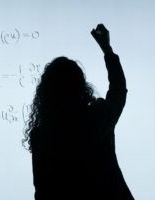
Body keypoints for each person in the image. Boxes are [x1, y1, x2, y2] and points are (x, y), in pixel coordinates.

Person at [23, 24, 134, 200]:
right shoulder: (97, 118)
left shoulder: (41, 136)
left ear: (46, 93)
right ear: (81, 87)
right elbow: (118, 90)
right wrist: (107, 49)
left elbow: (42, 191)